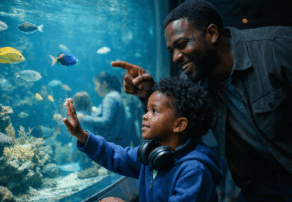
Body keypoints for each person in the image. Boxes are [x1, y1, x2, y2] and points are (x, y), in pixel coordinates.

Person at [111, 0, 292, 201]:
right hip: (261, 182)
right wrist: (148, 93)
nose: (176, 57)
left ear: (212, 34)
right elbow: (171, 120)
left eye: (182, 45)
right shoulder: (192, 79)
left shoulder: (278, 47)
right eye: (171, 50)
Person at [63, 76, 223, 202]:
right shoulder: (150, 156)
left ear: (179, 124)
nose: (145, 116)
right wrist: (81, 135)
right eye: (147, 110)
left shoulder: (194, 172)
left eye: (154, 111)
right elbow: (116, 155)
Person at [76, 72, 130, 147]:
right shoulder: (115, 95)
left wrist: (84, 118)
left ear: (104, 83)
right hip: (119, 143)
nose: (95, 89)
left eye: (96, 85)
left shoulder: (110, 98)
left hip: (113, 144)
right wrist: (97, 111)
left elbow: (106, 121)